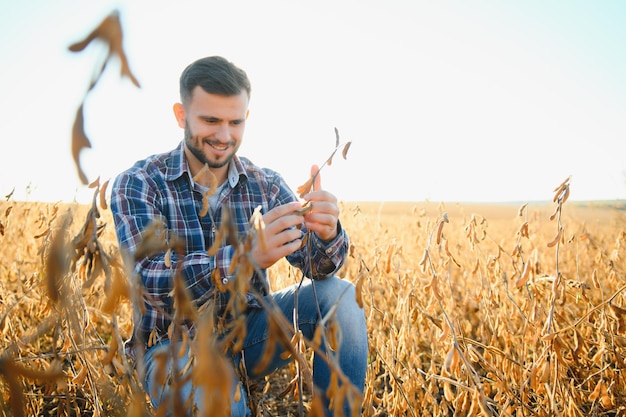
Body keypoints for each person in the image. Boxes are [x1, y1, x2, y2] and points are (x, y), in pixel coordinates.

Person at [110, 56, 368, 416]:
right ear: (181, 115)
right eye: (211, 120)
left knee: (341, 297)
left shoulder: (265, 184)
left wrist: (327, 234)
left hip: (249, 336)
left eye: (236, 122)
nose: (225, 135)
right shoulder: (138, 183)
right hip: (168, 346)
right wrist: (243, 257)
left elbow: (319, 267)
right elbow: (148, 281)